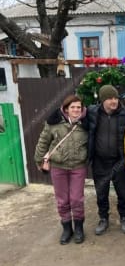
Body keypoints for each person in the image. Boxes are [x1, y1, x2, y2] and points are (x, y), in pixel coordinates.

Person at [34, 95, 88, 244]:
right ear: (66, 109)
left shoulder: (87, 123)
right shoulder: (54, 123)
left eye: (79, 107)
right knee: (62, 200)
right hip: (58, 167)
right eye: (73, 107)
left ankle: (78, 228)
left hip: (78, 166)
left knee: (76, 199)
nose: (76, 110)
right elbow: (43, 141)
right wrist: (39, 160)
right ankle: (66, 228)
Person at [87, 85, 125, 236]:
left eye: (115, 98)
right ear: (102, 100)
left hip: (119, 162)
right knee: (101, 193)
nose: (114, 101)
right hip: (100, 161)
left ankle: (124, 217)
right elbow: (71, 114)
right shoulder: (92, 112)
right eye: (110, 98)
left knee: (123, 192)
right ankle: (103, 218)